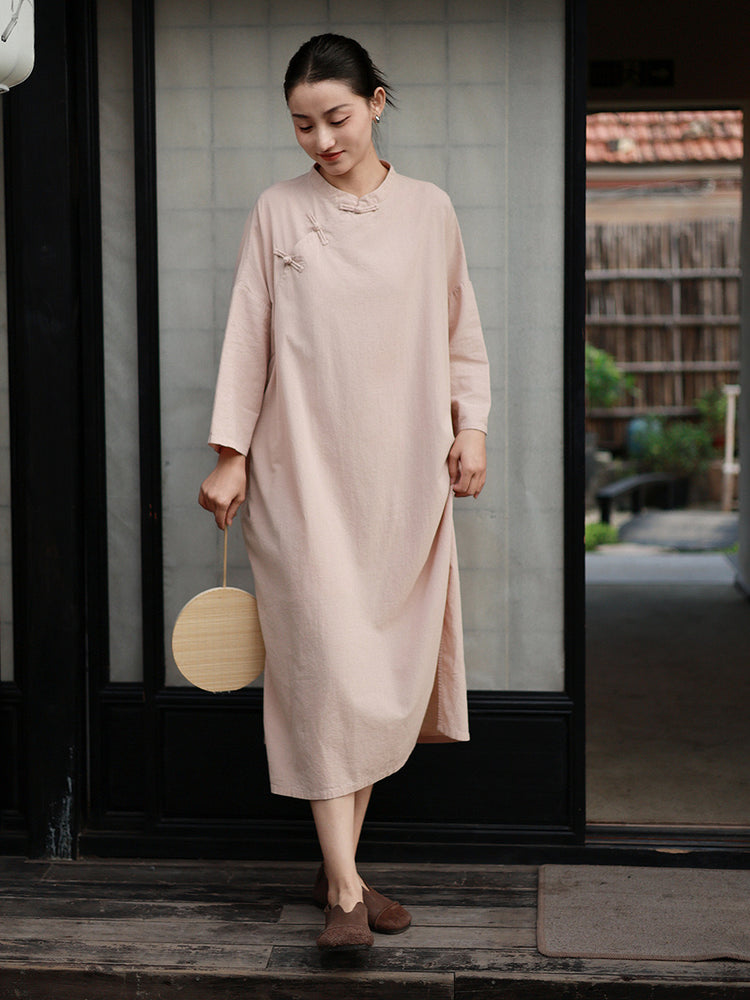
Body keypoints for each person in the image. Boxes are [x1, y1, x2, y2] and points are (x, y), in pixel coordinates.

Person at [199, 33, 490, 952]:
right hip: (299, 476)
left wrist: (473, 425)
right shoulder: (277, 211)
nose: (321, 140)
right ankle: (346, 897)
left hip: (402, 480)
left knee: (370, 682)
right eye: (302, 125)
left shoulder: (431, 210)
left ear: (376, 103)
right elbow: (248, 333)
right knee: (325, 674)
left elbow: (461, 332)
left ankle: (345, 882)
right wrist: (231, 452)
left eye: (336, 118)